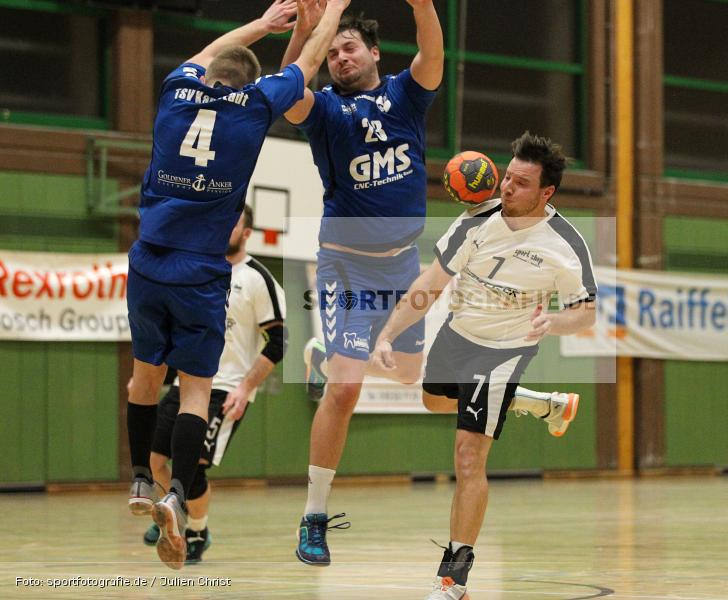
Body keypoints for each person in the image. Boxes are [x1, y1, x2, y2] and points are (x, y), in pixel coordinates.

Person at [125, 0, 347, 570]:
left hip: (148, 260)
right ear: (252, 83)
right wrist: (330, 10)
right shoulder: (253, 109)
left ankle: (140, 483)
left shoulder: (176, 89)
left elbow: (210, 53)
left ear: (208, 72)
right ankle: (176, 494)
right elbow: (312, 60)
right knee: (196, 391)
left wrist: (264, 24)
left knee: (144, 380)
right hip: (199, 272)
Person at [372, 132, 597, 600]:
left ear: (546, 193)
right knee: (433, 399)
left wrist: (553, 321)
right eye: (507, 177)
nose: (507, 188)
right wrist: (389, 333)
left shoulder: (566, 245)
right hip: (458, 335)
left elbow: (586, 312)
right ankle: (539, 405)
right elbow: (431, 283)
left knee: (468, 457)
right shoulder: (475, 220)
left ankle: (453, 579)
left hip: (505, 351)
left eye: (520, 183)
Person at [279, 1, 445, 566]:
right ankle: (314, 517)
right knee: (345, 390)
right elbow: (289, 88)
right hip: (346, 264)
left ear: (374, 52)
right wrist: (307, 28)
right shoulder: (324, 109)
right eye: (331, 52)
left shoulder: (404, 95)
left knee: (410, 379)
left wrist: (422, 4)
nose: (339, 57)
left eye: (348, 47)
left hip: (402, 265)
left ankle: (323, 353)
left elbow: (433, 55)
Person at [139, 205, 287, 564]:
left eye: (233, 222)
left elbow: (279, 341)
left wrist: (244, 388)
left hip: (226, 389)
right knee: (155, 459)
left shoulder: (257, 278)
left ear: (247, 233)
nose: (224, 227)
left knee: (194, 466)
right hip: (187, 381)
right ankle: (173, 517)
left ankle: (198, 532)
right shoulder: (199, 271)